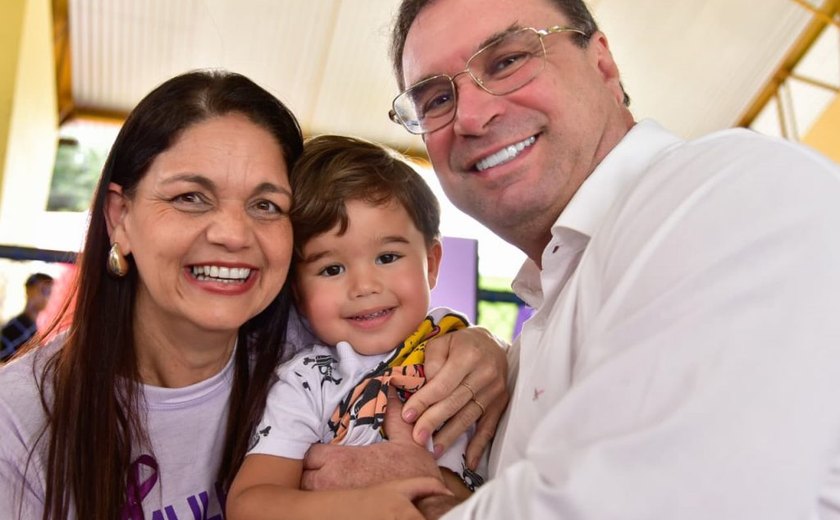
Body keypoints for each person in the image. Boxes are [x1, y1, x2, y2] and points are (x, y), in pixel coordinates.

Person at [301, 0, 840, 518]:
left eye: (507, 60)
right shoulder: (535, 330)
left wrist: (408, 499)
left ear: (603, 63)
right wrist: (484, 351)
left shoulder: (725, 189)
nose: (472, 115)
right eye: (436, 99)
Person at [0, 70, 508, 519]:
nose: (233, 234)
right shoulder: (21, 418)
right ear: (120, 218)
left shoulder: (316, 337)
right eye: (190, 197)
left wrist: (481, 348)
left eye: (265, 204)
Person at [227, 135, 485, 519]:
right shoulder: (307, 381)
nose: (364, 287)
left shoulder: (463, 349)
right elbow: (250, 504)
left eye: (387, 256)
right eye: (332, 268)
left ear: (431, 263)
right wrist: (364, 504)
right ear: (298, 293)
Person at [0, 272, 54, 362]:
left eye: (50, 292)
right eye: (45, 291)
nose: (48, 297)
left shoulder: (32, 327)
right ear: (29, 291)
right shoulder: (15, 327)